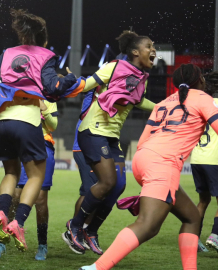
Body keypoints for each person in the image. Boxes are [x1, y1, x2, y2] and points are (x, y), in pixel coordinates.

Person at [81, 63, 216, 270]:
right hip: (163, 164)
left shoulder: (164, 102)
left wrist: (149, 179)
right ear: (199, 81)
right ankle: (97, 267)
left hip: (143, 158)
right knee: (148, 226)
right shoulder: (202, 98)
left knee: (192, 217)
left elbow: (144, 138)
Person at [0, 9, 80, 251]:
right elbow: (53, 88)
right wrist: (71, 79)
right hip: (26, 120)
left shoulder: (8, 53)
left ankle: (2, 212)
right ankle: (18, 222)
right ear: (44, 39)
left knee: (11, 173)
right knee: (35, 176)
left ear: (22, 37)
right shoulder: (46, 55)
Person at [63, 30, 156, 255]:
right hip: (92, 131)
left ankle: (91, 231)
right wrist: (67, 82)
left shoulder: (140, 78)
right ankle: (73, 228)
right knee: (106, 181)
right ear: (135, 51)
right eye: (149, 46)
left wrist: (164, 107)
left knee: (119, 185)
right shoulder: (114, 67)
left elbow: (139, 101)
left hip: (111, 137)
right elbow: (86, 85)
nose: (154, 50)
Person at [0, 99, 58, 260]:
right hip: (21, 143)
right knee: (15, 196)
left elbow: (53, 125)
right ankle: (2, 241)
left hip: (42, 146)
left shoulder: (48, 97)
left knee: (40, 199)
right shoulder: (16, 91)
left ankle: (42, 245)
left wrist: (45, 110)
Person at [190, 71, 218, 252]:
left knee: (203, 201)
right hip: (215, 159)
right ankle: (215, 236)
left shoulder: (201, 103)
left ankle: (192, 240)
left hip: (197, 158)